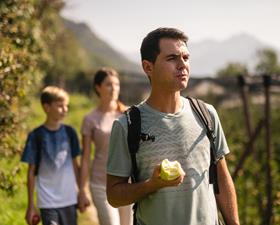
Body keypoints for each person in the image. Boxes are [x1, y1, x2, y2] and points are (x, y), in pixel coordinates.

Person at [106, 27, 240, 225]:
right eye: (172, 58)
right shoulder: (127, 125)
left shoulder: (206, 114)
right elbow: (114, 196)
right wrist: (152, 185)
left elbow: (221, 178)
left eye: (186, 57)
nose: (182, 65)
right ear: (148, 67)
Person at [78, 68, 132, 225]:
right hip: (101, 183)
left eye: (116, 84)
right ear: (98, 87)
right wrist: (82, 189)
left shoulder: (129, 114)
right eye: (109, 84)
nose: (114, 88)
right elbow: (86, 158)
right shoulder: (90, 119)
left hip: (128, 183)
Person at [21, 86, 81, 225]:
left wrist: (82, 192)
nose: (65, 109)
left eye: (66, 105)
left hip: (70, 200)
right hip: (47, 202)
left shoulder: (70, 132)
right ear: (47, 107)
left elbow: (75, 165)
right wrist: (31, 205)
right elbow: (31, 172)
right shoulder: (36, 136)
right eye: (60, 106)